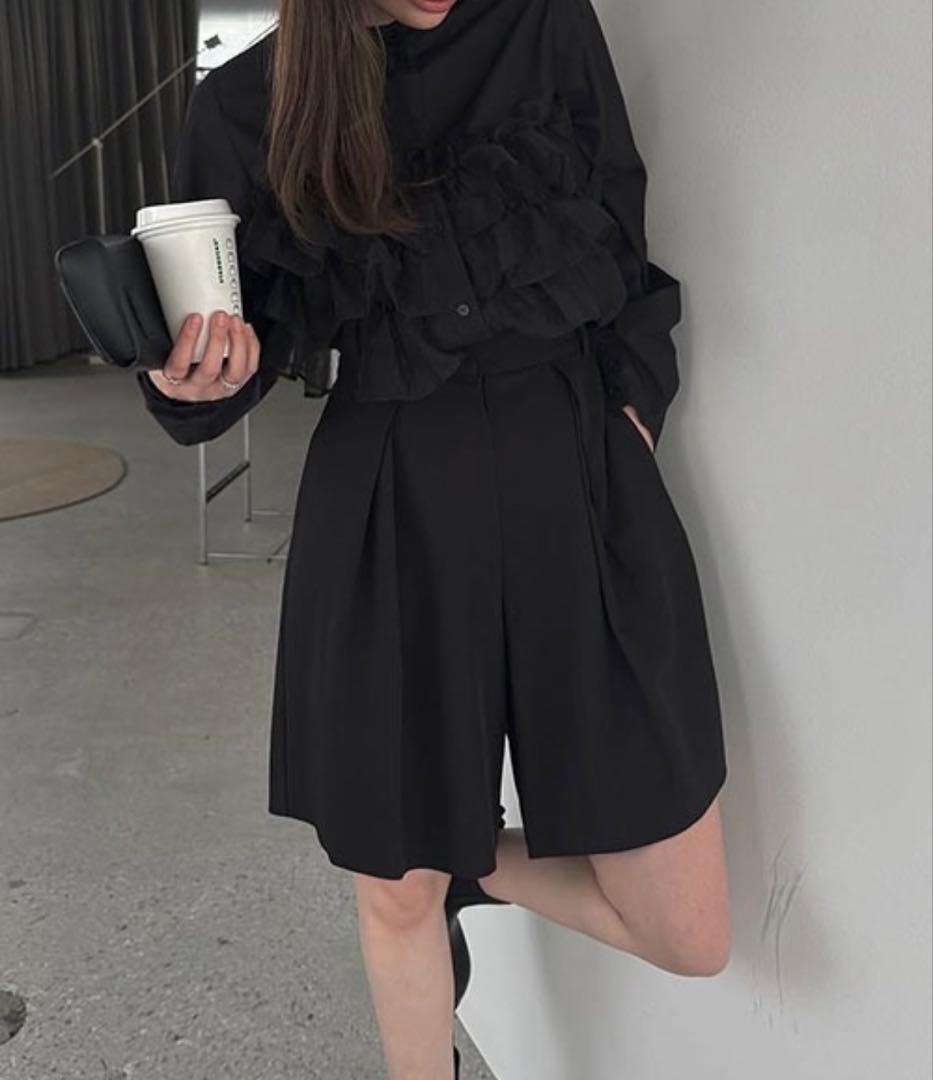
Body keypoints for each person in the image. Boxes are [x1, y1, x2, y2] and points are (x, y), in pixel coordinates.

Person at [137, 0, 732, 1076]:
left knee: (688, 932)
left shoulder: (544, 22)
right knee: (391, 891)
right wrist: (192, 381)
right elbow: (226, 343)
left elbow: (621, 231)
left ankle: (470, 868)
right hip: (390, 494)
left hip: (578, 480)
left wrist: (630, 422)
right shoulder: (249, 102)